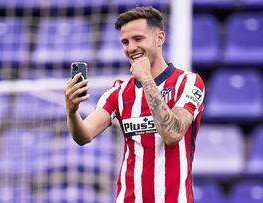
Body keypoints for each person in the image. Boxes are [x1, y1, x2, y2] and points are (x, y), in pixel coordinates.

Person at [65, 6, 205, 203]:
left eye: (138, 39)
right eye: (125, 42)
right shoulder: (119, 92)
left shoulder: (188, 83)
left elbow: (172, 134)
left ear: (160, 38)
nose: (131, 48)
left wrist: (146, 79)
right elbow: (84, 135)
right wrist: (72, 112)